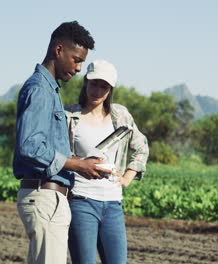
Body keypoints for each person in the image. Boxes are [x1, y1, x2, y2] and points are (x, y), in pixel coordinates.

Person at [13, 21, 112, 264]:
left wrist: (83, 164)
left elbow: (44, 147)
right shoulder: (39, 90)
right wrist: (78, 165)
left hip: (50, 197)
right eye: (76, 59)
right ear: (58, 50)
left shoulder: (50, 90)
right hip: (44, 195)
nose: (79, 68)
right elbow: (30, 146)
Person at [65, 60, 149, 264]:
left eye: (104, 86)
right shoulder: (69, 116)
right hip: (80, 201)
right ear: (85, 82)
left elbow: (141, 146)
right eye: (94, 83)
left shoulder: (120, 115)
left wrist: (128, 177)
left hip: (113, 204)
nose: (97, 90)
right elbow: (59, 155)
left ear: (110, 89)